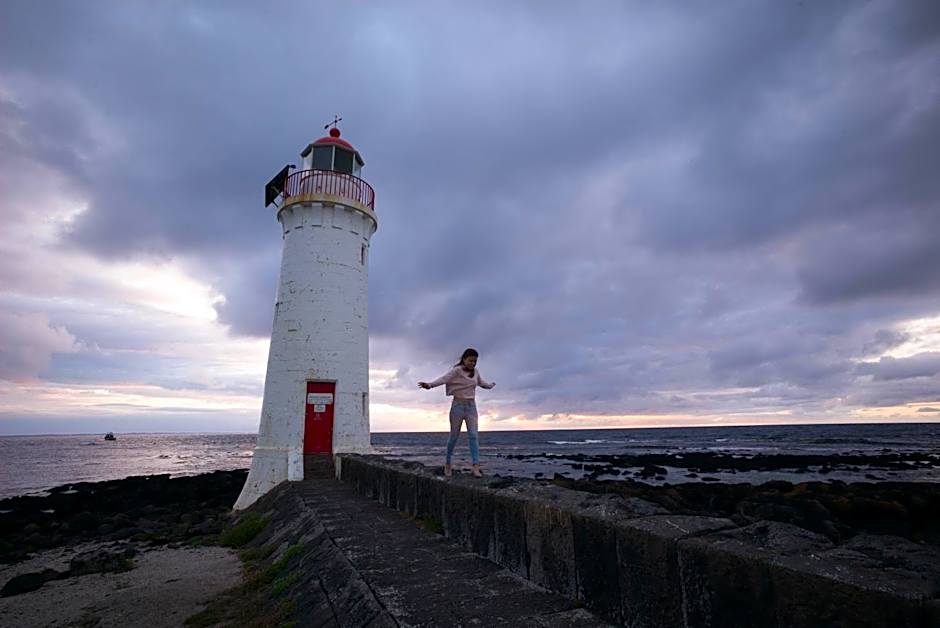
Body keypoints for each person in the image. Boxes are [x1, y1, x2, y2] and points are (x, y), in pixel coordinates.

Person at [418, 348, 495, 478]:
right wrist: (430, 385)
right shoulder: (457, 371)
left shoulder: (475, 372)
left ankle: (476, 467)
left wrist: (491, 385)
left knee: (473, 436)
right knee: (454, 437)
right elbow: (444, 379)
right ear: (464, 359)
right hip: (457, 406)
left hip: (471, 407)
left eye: (475, 361)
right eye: (470, 360)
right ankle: (448, 463)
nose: (473, 363)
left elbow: (481, 383)